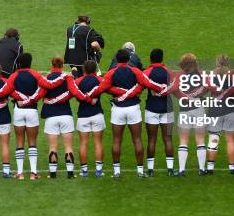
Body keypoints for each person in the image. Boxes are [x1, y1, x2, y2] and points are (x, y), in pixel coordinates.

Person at [88, 49, 166, 178]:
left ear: (117, 60)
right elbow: (147, 83)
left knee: (117, 140)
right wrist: (161, 88)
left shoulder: (111, 73)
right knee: (137, 140)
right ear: (128, 59)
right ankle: (140, 171)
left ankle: (117, 172)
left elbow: (102, 88)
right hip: (133, 109)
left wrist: (89, 95)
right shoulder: (135, 71)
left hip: (118, 110)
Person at [0, 53, 67, 180]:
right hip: (32, 111)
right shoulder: (35, 74)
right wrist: (64, 77)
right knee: (32, 142)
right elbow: (48, 86)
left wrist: (20, 97)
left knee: (19, 142)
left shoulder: (14, 76)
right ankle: (33, 173)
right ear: (30, 62)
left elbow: (5, 91)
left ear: (19, 63)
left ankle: (20, 173)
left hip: (18, 111)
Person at [39, 57, 89, 179]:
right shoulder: (67, 78)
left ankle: (52, 174)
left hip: (51, 117)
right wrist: (87, 98)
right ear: (62, 66)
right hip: (66, 116)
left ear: (52, 65)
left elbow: (41, 93)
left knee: (52, 147)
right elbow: (74, 92)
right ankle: (70, 173)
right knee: (68, 146)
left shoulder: (46, 78)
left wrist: (46, 100)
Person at [169, 53, 208, 176]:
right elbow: (207, 87)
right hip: (198, 108)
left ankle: (181, 170)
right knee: (200, 139)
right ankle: (202, 169)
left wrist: (184, 98)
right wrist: (197, 96)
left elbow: (175, 90)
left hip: (184, 109)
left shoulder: (179, 75)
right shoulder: (202, 74)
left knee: (183, 140)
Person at [143, 49, 174, 176]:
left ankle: (150, 170)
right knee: (167, 139)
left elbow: (141, 86)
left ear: (151, 58)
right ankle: (170, 170)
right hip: (167, 108)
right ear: (162, 58)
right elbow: (174, 86)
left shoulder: (146, 72)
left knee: (152, 140)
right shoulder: (169, 72)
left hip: (152, 108)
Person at [206, 54, 234, 175]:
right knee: (230, 140)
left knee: (213, 139)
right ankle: (232, 168)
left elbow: (206, 89)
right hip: (230, 110)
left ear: (217, 62)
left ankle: (210, 168)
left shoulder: (210, 75)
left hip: (215, 110)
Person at [75, 60, 107, 177]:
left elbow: (75, 94)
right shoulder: (100, 80)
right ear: (94, 70)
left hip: (83, 115)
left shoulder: (78, 81)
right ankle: (98, 171)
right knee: (98, 142)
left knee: (83, 143)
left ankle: (84, 172)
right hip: (97, 114)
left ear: (84, 70)